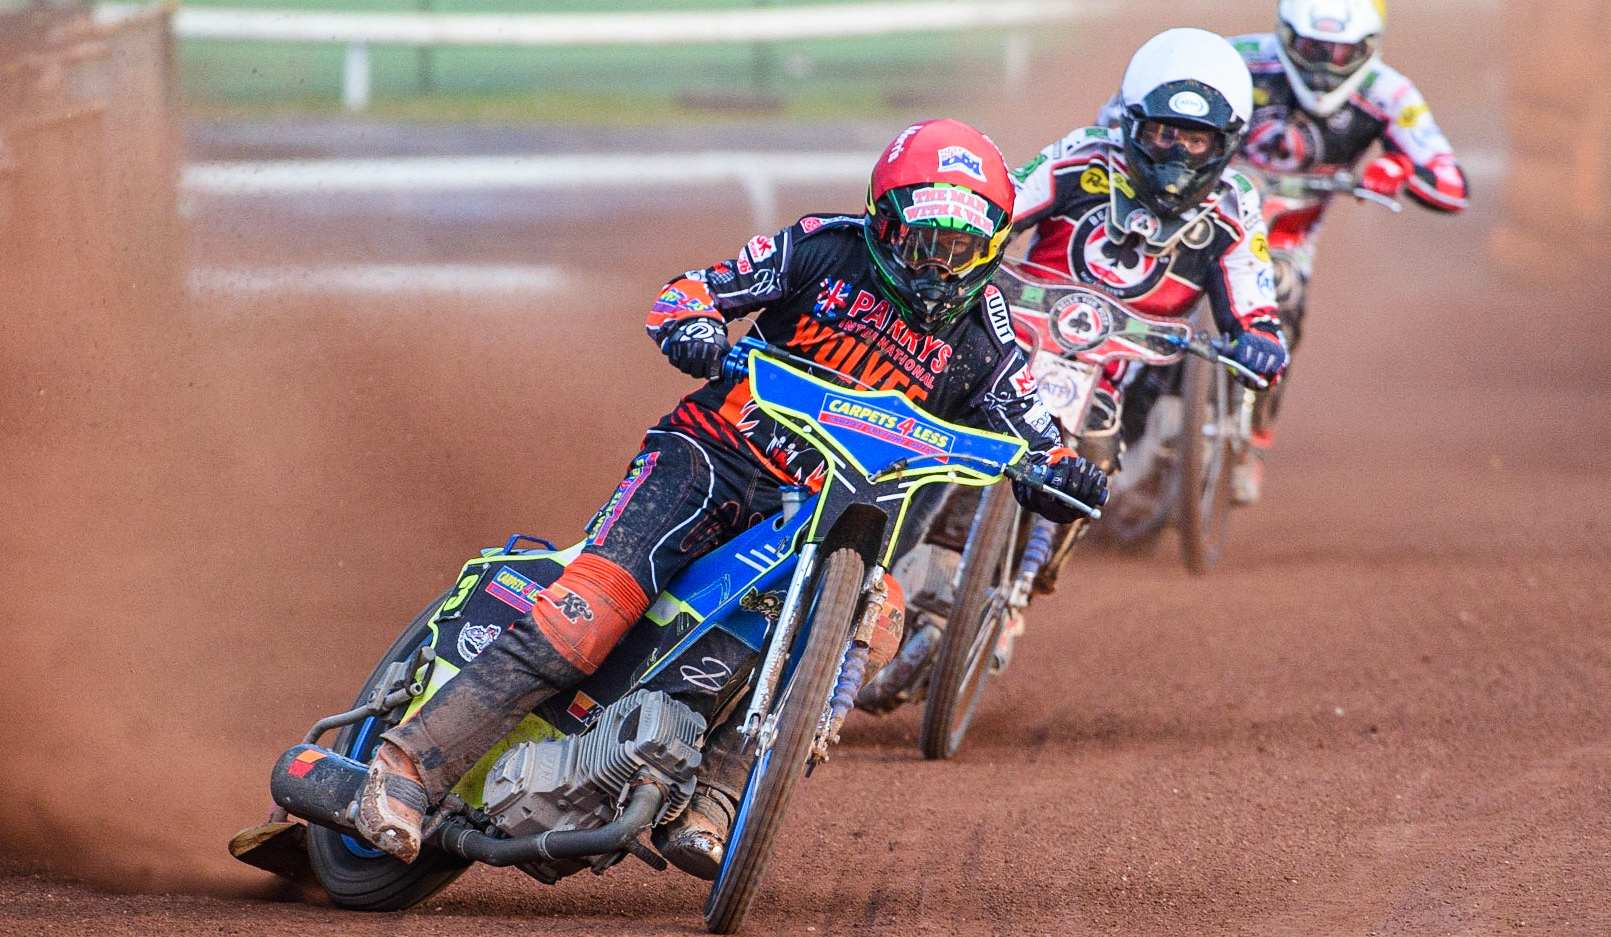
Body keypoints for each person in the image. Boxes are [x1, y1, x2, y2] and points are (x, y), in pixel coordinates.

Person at [353, 118, 1108, 878]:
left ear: (990, 248)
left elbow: (1034, 429)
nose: (938, 267)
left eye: (959, 249)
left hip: (824, 514)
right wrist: (694, 327)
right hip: (711, 456)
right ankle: (405, 766)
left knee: (869, 623)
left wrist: (1062, 473)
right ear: (883, 223)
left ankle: (718, 790)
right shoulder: (822, 246)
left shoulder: (986, 335)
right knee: (590, 613)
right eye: (923, 242)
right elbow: (693, 290)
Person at [1004, 27, 1288, 591]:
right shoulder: (1082, 154)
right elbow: (1002, 201)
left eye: (1197, 140)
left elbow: (1255, 300)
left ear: (1227, 143)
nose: (1177, 153)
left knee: (1094, 464)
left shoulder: (1236, 208)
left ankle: (1021, 591)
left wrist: (1260, 337)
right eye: (1163, 134)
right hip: (1012, 340)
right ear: (1133, 124)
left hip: (1119, 376)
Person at [1228, 0, 1467, 501]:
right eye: (1312, 46)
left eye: (1341, 51)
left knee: (1282, 309)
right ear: (1286, 33)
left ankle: (1252, 441)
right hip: (1198, 216)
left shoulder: (1389, 93)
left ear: (1369, 47)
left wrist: (1402, 167)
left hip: (1286, 238)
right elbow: (1132, 113)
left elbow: (1452, 181)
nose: (1324, 64)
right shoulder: (1234, 60)